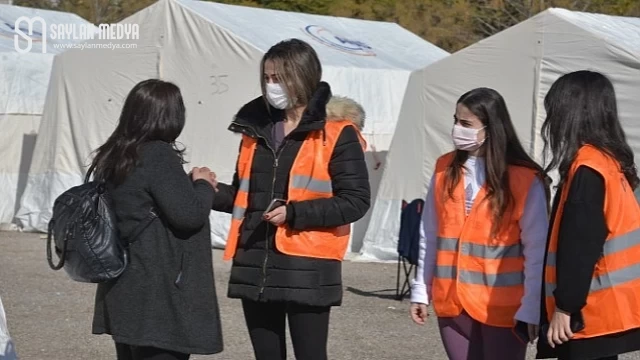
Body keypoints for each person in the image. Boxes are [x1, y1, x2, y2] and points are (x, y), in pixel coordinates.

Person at [211, 38, 370, 360]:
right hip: (255, 260)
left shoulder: (338, 133)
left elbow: (355, 200)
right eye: (267, 78)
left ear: (303, 77)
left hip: (307, 264)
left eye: (279, 78)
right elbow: (245, 196)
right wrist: (209, 190)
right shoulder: (253, 130)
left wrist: (294, 212)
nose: (272, 85)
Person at [409, 87, 550, 360]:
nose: (456, 129)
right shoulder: (444, 168)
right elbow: (430, 234)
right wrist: (420, 290)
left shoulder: (524, 178)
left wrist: (532, 307)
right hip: (453, 304)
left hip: (502, 308)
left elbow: (537, 251)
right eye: (455, 121)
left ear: (490, 128)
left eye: (466, 124)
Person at [90, 79, 223, 360]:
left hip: (124, 287)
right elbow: (189, 216)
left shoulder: (116, 153)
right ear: (171, 116)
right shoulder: (158, 154)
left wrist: (185, 186)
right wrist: (201, 184)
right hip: (157, 296)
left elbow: (146, 200)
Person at [536, 70, 640, 360]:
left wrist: (564, 307)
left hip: (587, 313)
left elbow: (579, 247)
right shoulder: (611, 162)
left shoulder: (588, 169)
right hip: (611, 307)